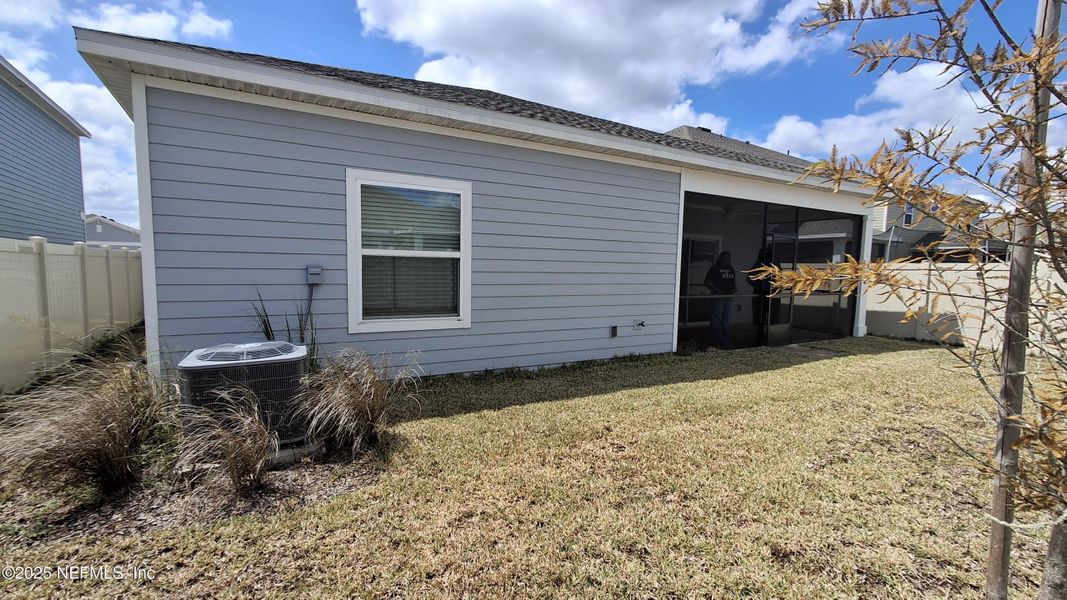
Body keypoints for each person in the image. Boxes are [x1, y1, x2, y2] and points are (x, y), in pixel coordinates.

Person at [704, 251, 736, 349]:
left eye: (728, 257)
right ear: (721, 258)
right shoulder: (715, 268)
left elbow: (733, 281)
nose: (726, 259)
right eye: (725, 257)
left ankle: (724, 340)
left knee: (725, 319)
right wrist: (717, 290)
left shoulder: (731, 269)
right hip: (718, 296)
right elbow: (707, 282)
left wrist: (734, 288)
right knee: (716, 318)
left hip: (728, 296)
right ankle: (714, 340)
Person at [748, 247, 772, 345]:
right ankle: (760, 336)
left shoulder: (773, 265)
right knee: (760, 316)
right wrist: (757, 285)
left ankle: (768, 335)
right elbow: (749, 277)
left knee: (769, 316)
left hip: (770, 294)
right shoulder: (758, 265)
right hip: (760, 294)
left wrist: (776, 288)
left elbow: (780, 276)